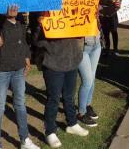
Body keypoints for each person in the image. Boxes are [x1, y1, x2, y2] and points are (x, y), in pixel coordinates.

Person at [33, 14, 88, 148]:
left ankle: (72, 123)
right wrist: (40, 27)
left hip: (71, 61)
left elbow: (79, 35)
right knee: (54, 99)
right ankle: (50, 131)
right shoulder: (44, 13)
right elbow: (36, 42)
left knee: (69, 96)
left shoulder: (72, 7)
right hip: (53, 63)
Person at [0, 5, 39, 149]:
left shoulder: (20, 22)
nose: (14, 8)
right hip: (0, 71)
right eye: (11, 6)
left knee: (20, 104)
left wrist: (27, 58)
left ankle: (24, 140)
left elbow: (23, 42)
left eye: (17, 6)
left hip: (18, 70)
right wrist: (6, 18)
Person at [77, 0, 121, 127]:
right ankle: (81, 112)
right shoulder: (76, 2)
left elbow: (107, 11)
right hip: (82, 47)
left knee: (92, 77)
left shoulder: (94, 1)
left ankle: (88, 105)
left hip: (96, 44)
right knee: (87, 80)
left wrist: (116, 6)